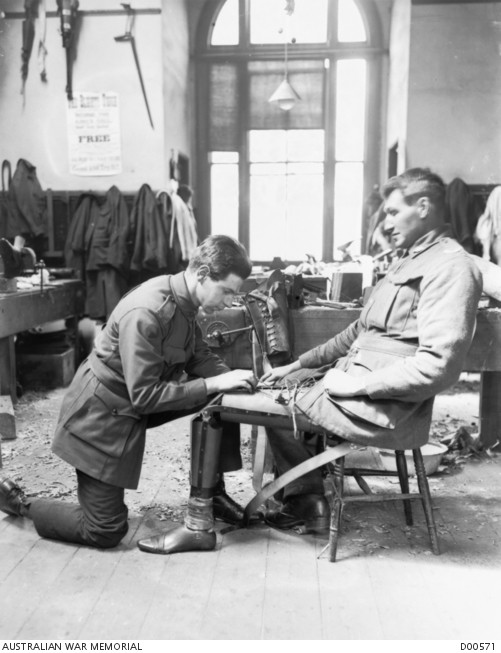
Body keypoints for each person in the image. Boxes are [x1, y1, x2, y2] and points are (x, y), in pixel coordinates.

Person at [256, 167, 482, 532]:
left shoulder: (451, 266)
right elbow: (356, 333)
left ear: (423, 206)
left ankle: (306, 502)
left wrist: (357, 386)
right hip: (357, 386)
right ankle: (307, 498)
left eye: (393, 212)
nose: (386, 222)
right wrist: (294, 365)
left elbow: (439, 366)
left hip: (384, 407)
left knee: (263, 407)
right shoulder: (408, 259)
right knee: (275, 388)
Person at [0, 234, 257, 552]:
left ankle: (210, 494)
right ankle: (20, 503)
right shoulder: (148, 311)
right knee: (104, 530)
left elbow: (196, 354)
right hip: (100, 416)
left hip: (133, 403)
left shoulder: (187, 300)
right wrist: (212, 383)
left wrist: (232, 379)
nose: (231, 301)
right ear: (203, 275)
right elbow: (145, 397)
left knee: (222, 394)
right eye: (228, 291)